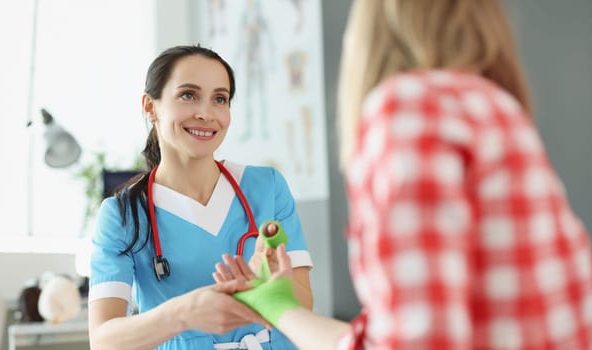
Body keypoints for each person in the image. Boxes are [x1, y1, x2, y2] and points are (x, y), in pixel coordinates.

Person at [214, 0, 592, 349]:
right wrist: (280, 307)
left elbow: (420, 340)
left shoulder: (412, 108)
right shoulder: (495, 107)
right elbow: (398, 330)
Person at [87, 45, 314, 350]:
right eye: (188, 95)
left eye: (220, 99)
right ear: (150, 107)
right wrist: (184, 313)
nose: (206, 113)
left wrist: (272, 285)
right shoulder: (123, 214)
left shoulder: (267, 187)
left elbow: (303, 305)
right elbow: (104, 341)